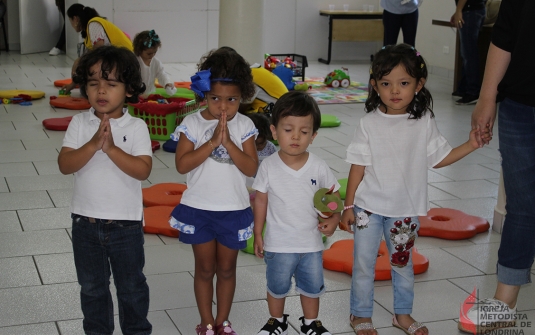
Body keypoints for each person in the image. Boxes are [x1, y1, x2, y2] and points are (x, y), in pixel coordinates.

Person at [339, 44, 490, 335]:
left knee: (402, 264)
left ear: (419, 85)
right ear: (375, 86)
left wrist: (472, 144)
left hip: (405, 211)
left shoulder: (423, 122)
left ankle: (402, 315)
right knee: (363, 264)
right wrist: (348, 207)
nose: (395, 91)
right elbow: (357, 167)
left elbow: (439, 159)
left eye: (404, 83)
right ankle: (360, 314)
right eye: (386, 84)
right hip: (367, 208)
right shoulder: (369, 123)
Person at [57, 46, 152, 335]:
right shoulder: (79, 123)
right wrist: (92, 144)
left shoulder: (136, 127)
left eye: (111, 84)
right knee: (92, 289)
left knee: (132, 288)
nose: (101, 91)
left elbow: (142, 170)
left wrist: (110, 148)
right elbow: (65, 164)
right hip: (85, 224)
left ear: (128, 89)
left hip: (126, 226)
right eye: (93, 83)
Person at [168, 47, 258, 335]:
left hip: (233, 209)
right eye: (215, 98)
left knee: (228, 269)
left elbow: (251, 168)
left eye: (231, 99)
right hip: (199, 209)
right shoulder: (192, 123)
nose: (223, 107)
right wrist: (211, 143)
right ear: (203, 94)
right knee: (205, 269)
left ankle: (223, 322)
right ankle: (206, 323)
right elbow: (182, 165)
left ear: (242, 96)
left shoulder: (245, 125)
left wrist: (229, 143)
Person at [461, 0, 535, 333]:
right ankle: (504, 301)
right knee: (521, 205)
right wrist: (487, 97)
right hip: (520, 104)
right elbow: (505, 34)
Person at [253, 91, 341, 335]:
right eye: (288, 129)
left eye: (304, 132)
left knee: (311, 286)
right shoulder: (268, 166)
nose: (295, 137)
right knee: (276, 285)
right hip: (278, 243)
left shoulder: (319, 166)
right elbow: (260, 200)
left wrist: (334, 219)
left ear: (313, 136)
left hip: (311, 243)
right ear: (274, 131)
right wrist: (257, 232)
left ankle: (311, 323)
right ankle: (276, 320)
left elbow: (332, 199)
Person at [63, 3, 133, 93]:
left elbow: (98, 48)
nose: (71, 25)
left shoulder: (93, 24)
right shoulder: (90, 28)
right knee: (82, 62)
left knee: (85, 63)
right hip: (120, 57)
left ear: (75, 19)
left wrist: (80, 61)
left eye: (70, 21)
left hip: (125, 59)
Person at [450, 0, 486, 105]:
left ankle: (473, 91)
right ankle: (464, 88)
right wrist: (458, 11)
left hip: (471, 11)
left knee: (469, 53)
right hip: (474, 10)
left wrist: (459, 10)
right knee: (466, 52)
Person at [132, 29, 177, 97]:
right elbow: (130, 80)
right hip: (135, 95)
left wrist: (167, 83)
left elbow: (161, 74)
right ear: (139, 50)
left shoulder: (155, 62)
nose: (152, 55)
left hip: (150, 93)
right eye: (149, 53)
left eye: (155, 52)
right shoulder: (134, 62)